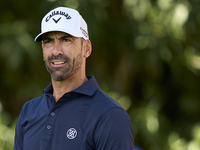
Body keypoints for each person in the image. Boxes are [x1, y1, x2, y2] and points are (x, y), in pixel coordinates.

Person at [14, 6, 135, 150]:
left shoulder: (110, 116)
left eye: (66, 40)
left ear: (86, 48)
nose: (56, 51)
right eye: (48, 41)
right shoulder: (29, 111)